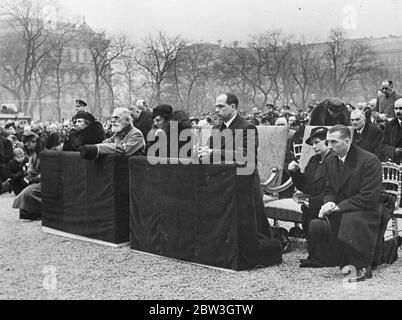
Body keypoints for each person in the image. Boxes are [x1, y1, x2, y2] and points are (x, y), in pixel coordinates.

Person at [301, 125, 397, 282]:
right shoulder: (331, 160)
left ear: (347, 140)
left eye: (334, 142)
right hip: (346, 207)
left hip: (370, 208)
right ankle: (341, 256)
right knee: (317, 223)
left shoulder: (369, 160)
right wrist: (328, 203)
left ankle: (362, 267)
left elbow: (368, 197)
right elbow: (329, 189)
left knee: (350, 220)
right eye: (328, 141)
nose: (329, 146)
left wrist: (338, 207)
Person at [198, 93, 283, 266]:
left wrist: (213, 153)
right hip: (222, 183)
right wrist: (202, 152)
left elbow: (246, 156)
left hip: (243, 184)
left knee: (250, 231)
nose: (216, 110)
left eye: (221, 106)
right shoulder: (217, 128)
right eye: (216, 106)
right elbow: (209, 149)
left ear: (233, 107)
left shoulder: (247, 128)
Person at [287, 127, 331, 237]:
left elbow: (334, 191)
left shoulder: (335, 161)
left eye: (317, 142)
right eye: (312, 144)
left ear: (327, 141)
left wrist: (313, 202)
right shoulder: (314, 160)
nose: (314, 147)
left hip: (325, 209)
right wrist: (295, 172)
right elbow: (304, 186)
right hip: (310, 207)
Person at [79, 107, 145, 160]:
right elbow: (105, 143)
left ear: (127, 120)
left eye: (116, 118)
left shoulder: (136, 134)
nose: (113, 120)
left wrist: (98, 148)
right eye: (112, 118)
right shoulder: (118, 134)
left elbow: (124, 150)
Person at [12, 131, 46, 220]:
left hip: (44, 181)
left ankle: (38, 212)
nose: (28, 146)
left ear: (35, 142)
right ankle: (30, 212)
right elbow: (32, 169)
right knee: (25, 192)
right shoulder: (33, 154)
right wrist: (29, 173)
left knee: (28, 193)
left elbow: (45, 173)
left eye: (30, 143)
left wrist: (34, 177)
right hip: (36, 179)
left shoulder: (44, 154)